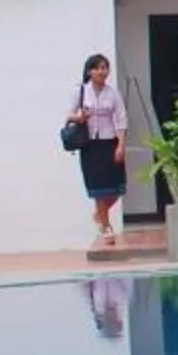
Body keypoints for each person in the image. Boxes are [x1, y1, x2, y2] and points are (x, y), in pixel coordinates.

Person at [71, 54, 130, 245]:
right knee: (98, 188)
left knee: (116, 187)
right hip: (89, 145)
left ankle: (99, 214)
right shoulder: (81, 91)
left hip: (109, 141)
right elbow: (69, 115)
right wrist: (80, 118)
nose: (101, 71)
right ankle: (106, 227)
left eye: (104, 67)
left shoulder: (113, 93)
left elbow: (121, 118)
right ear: (89, 71)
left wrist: (121, 144)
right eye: (97, 68)